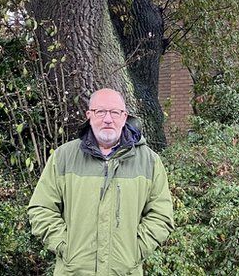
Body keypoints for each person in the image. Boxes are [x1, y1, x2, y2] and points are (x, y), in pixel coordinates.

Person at [28, 88, 174, 275]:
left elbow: (161, 216)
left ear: (124, 116)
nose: (107, 119)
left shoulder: (149, 162)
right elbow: (41, 208)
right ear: (89, 115)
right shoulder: (63, 157)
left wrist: (135, 251)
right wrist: (65, 246)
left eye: (114, 112)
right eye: (100, 112)